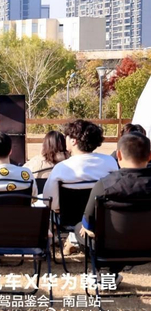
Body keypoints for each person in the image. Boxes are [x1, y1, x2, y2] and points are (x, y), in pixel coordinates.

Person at [76, 132, 151, 282]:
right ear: (149, 156)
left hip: (111, 248)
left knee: (81, 229)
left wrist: (86, 227)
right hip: (148, 248)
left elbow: (88, 222)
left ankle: (105, 272)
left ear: (119, 155)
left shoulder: (104, 185)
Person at [42, 119, 119, 254]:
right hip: (103, 218)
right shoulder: (110, 162)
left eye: (66, 136)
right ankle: (74, 240)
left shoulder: (62, 168)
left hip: (68, 219)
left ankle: (71, 240)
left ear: (73, 141)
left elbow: (49, 201)